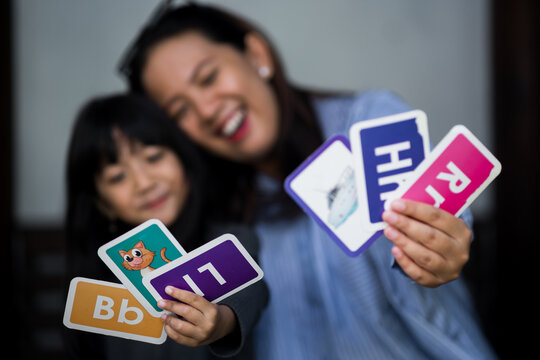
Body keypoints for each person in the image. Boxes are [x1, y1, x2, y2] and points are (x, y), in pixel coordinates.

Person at [119, 2, 498, 359]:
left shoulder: (366, 122)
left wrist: (441, 243)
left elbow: (439, 205)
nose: (205, 110)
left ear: (257, 56)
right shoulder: (217, 216)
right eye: (179, 110)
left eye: (209, 76)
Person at [63, 92, 268, 359]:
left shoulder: (231, 240)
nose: (144, 183)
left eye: (153, 157)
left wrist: (221, 322)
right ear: (103, 204)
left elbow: (254, 293)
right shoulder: (95, 285)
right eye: (118, 176)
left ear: (184, 160)